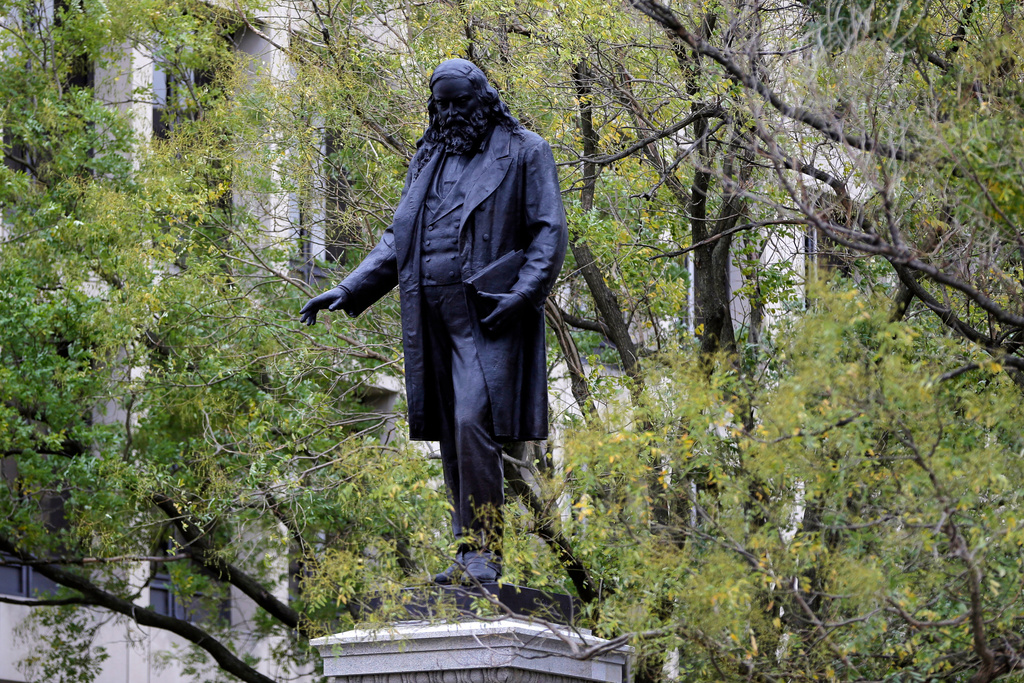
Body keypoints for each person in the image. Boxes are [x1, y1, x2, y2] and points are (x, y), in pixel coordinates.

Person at [300, 58, 567, 584]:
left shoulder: (525, 151)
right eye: (440, 104)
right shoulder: (428, 157)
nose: (448, 113)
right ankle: (466, 551)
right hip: (431, 315)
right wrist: (350, 287)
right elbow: (398, 238)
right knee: (451, 432)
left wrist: (524, 294)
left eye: (458, 103)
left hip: (488, 315)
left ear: (483, 100)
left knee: (473, 422)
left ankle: (487, 552)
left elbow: (548, 232)